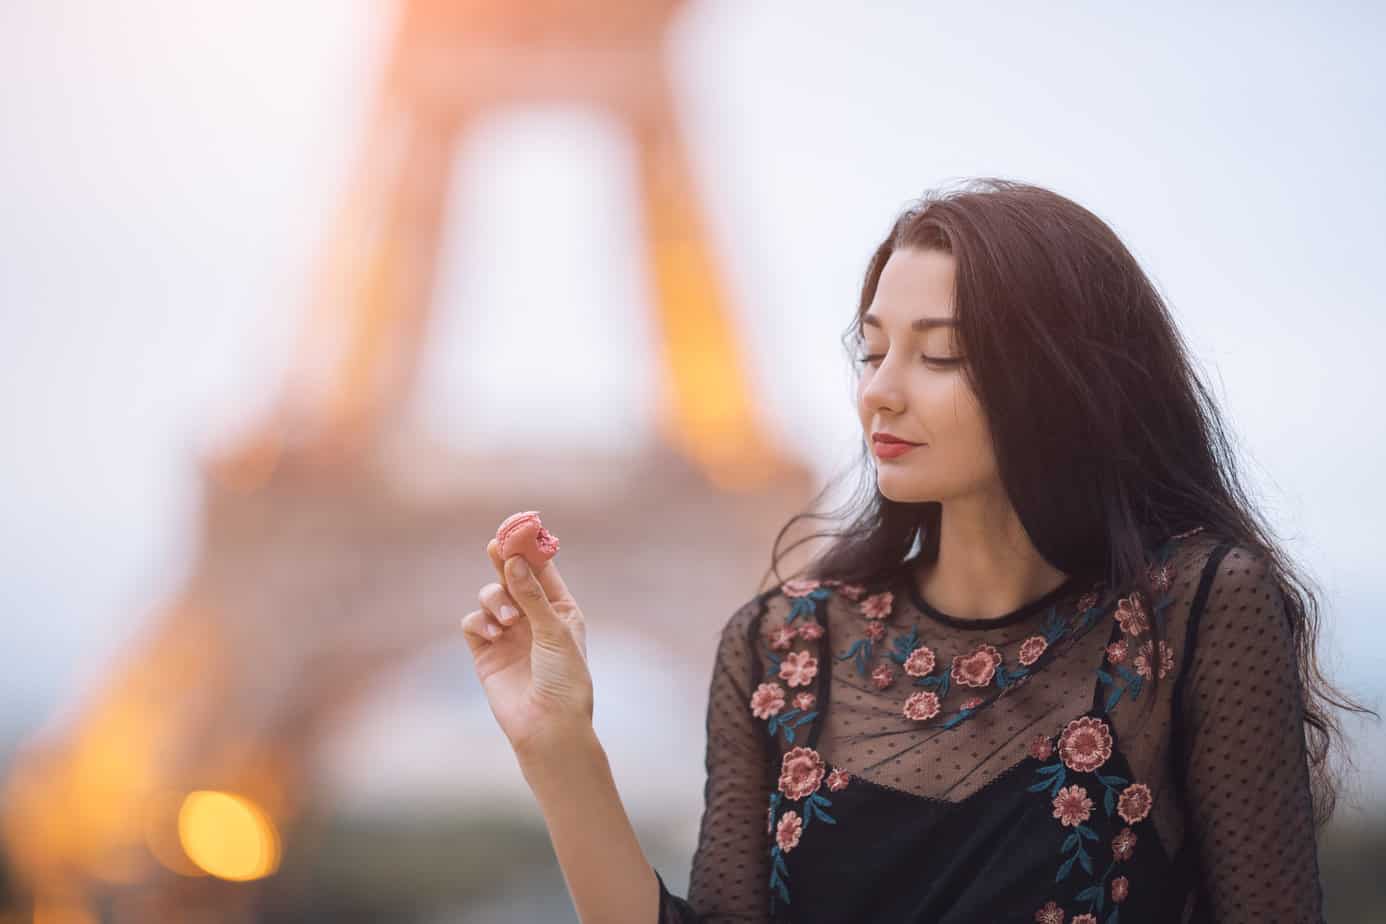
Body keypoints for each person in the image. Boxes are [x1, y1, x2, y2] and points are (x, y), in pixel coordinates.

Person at [459, 179, 1369, 922]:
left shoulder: (1196, 610)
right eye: (871, 351)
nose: (879, 396)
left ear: (1062, 379)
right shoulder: (783, 644)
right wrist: (558, 745)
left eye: (940, 356)